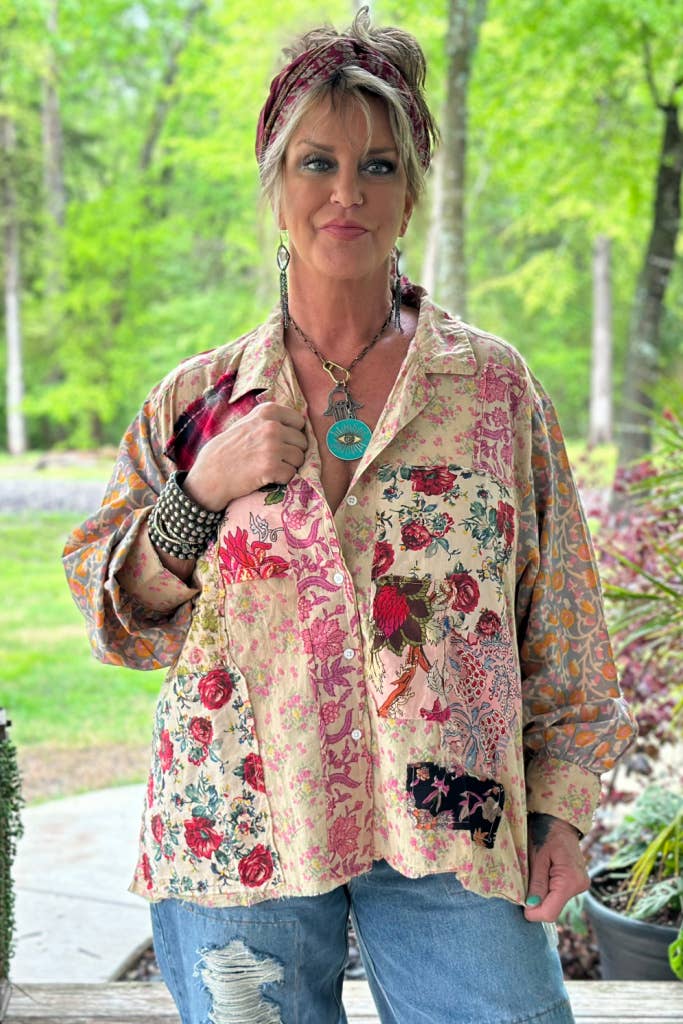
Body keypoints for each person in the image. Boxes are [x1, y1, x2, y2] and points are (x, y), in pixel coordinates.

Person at [63, 8, 636, 1023]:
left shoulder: (489, 389)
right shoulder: (198, 402)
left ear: (411, 188)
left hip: (452, 810)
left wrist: (559, 809)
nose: (343, 192)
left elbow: (566, 632)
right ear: (273, 184)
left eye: (377, 166)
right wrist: (199, 494)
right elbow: (115, 616)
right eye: (314, 162)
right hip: (239, 822)